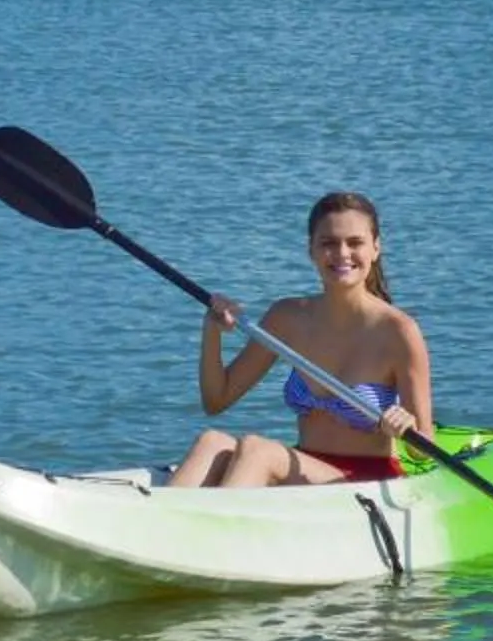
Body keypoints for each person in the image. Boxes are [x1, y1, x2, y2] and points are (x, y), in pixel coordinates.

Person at [165, 191, 434, 488]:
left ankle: (216, 530)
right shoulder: (287, 317)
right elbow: (216, 400)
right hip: (305, 469)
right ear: (312, 251)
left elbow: (423, 451)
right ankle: (158, 526)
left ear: (375, 248)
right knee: (211, 442)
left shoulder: (399, 331)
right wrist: (212, 331)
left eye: (355, 242)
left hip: (366, 481)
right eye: (328, 243)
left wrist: (406, 429)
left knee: (257, 450)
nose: (342, 253)